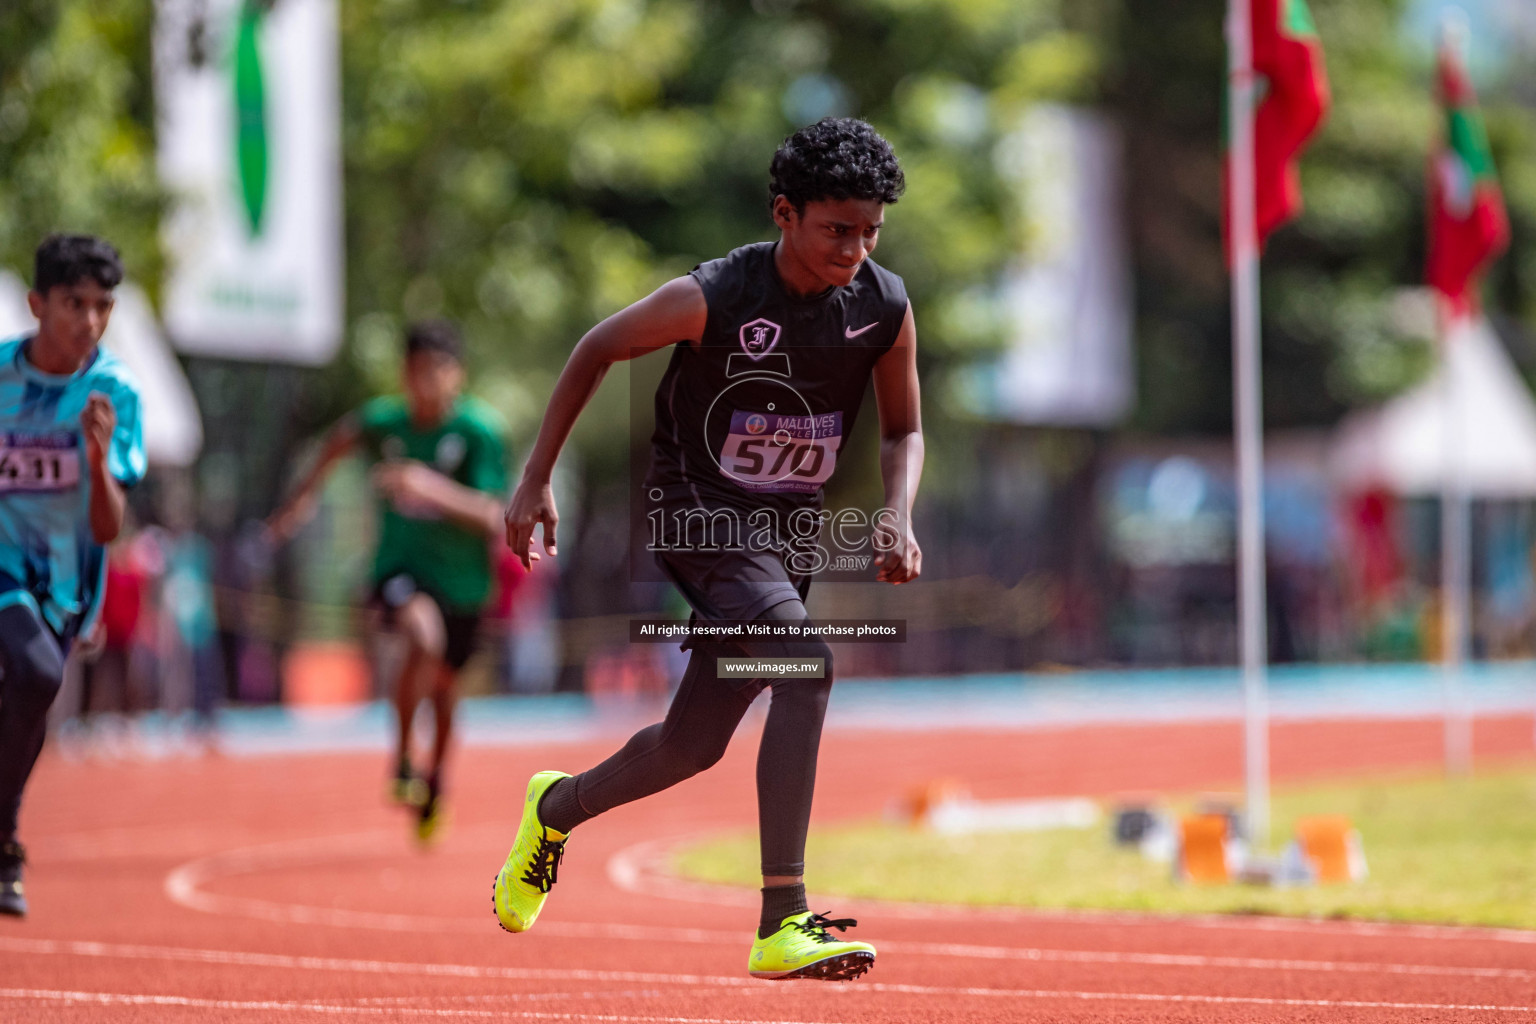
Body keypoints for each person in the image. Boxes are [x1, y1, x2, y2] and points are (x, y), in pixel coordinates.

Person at [495, 118, 923, 981]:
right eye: (837, 229)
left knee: (694, 745)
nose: (856, 249)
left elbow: (905, 428)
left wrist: (898, 511)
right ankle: (782, 916)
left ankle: (557, 809)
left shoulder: (884, 305)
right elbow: (596, 348)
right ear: (784, 213)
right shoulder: (716, 295)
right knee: (810, 664)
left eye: (871, 230)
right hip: (696, 510)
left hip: (785, 532)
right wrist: (536, 476)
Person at [267, 320, 508, 843]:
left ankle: (436, 779)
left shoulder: (479, 433)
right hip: (399, 569)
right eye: (416, 371)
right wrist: (300, 501)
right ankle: (401, 758)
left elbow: (494, 514)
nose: (426, 383)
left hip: (465, 585)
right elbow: (339, 440)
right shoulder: (386, 422)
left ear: (457, 374)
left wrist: (426, 486)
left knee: (446, 693)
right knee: (422, 636)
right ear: (404, 373)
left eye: (438, 371)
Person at [0, 234, 144, 917]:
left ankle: (3, 834)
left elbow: (110, 527)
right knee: (31, 674)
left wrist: (94, 454)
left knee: (35, 689)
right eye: (73, 304)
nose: (89, 321)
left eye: (102, 306)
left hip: (66, 586)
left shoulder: (112, 392)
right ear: (36, 304)